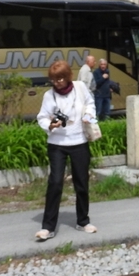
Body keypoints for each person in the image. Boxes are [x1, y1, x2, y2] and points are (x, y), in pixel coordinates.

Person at [36, 60, 98, 241]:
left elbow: (91, 104)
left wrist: (88, 115)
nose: (58, 83)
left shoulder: (80, 88)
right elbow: (41, 117)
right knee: (55, 182)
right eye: (54, 80)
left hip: (79, 141)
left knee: (82, 181)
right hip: (57, 144)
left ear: (69, 76)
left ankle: (83, 221)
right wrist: (50, 124)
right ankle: (48, 227)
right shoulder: (49, 96)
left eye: (61, 78)